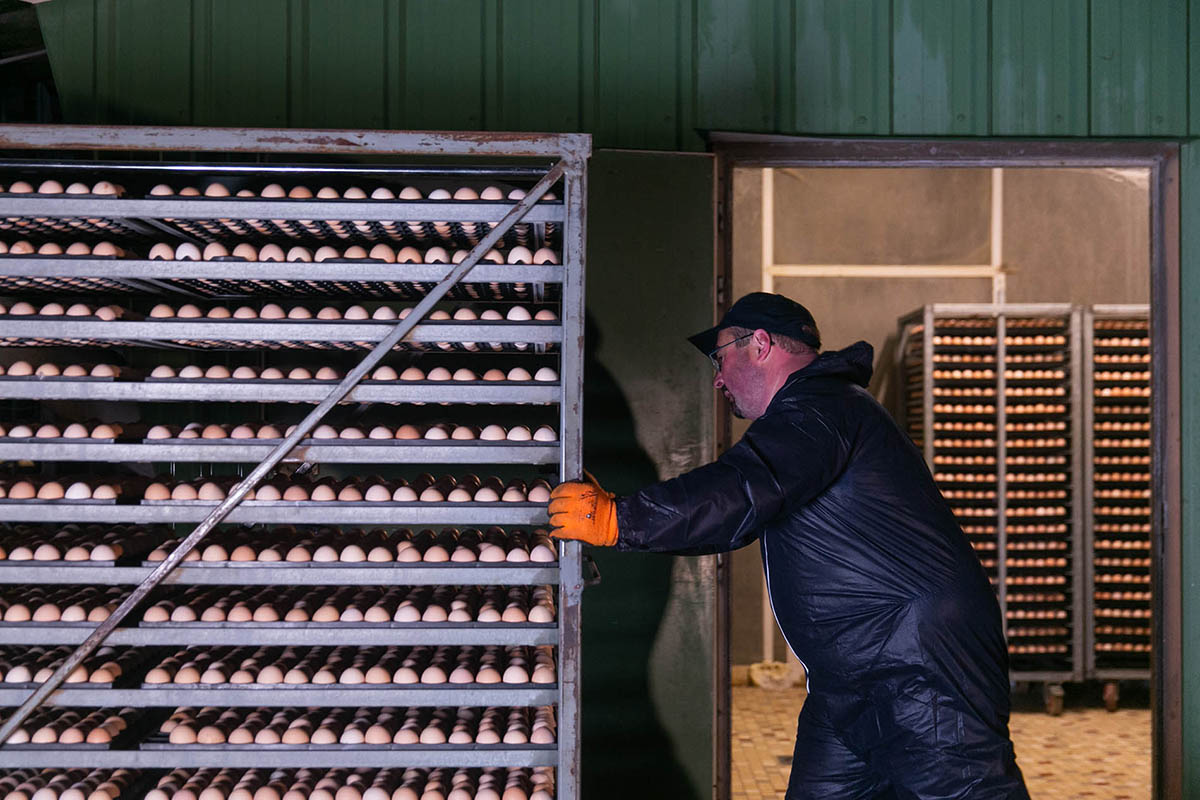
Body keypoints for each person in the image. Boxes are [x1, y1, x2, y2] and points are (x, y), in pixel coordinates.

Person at [548, 292, 1030, 799]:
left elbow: (744, 490)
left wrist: (616, 520)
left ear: (759, 344)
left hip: (918, 674)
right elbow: (741, 513)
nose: (717, 378)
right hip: (849, 681)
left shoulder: (822, 409)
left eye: (720, 357)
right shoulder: (815, 415)